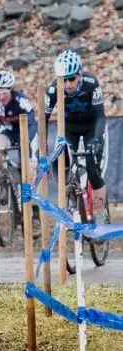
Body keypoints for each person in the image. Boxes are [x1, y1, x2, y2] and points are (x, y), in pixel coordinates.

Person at [45, 49, 107, 222]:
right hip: (69, 128)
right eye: (63, 80)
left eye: (71, 78)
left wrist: (96, 139)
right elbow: (44, 118)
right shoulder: (53, 88)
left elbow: (101, 115)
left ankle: (100, 212)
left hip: (91, 127)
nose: (68, 84)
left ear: (79, 75)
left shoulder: (91, 83)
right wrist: (41, 146)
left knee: (92, 167)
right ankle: (71, 198)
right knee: (62, 163)